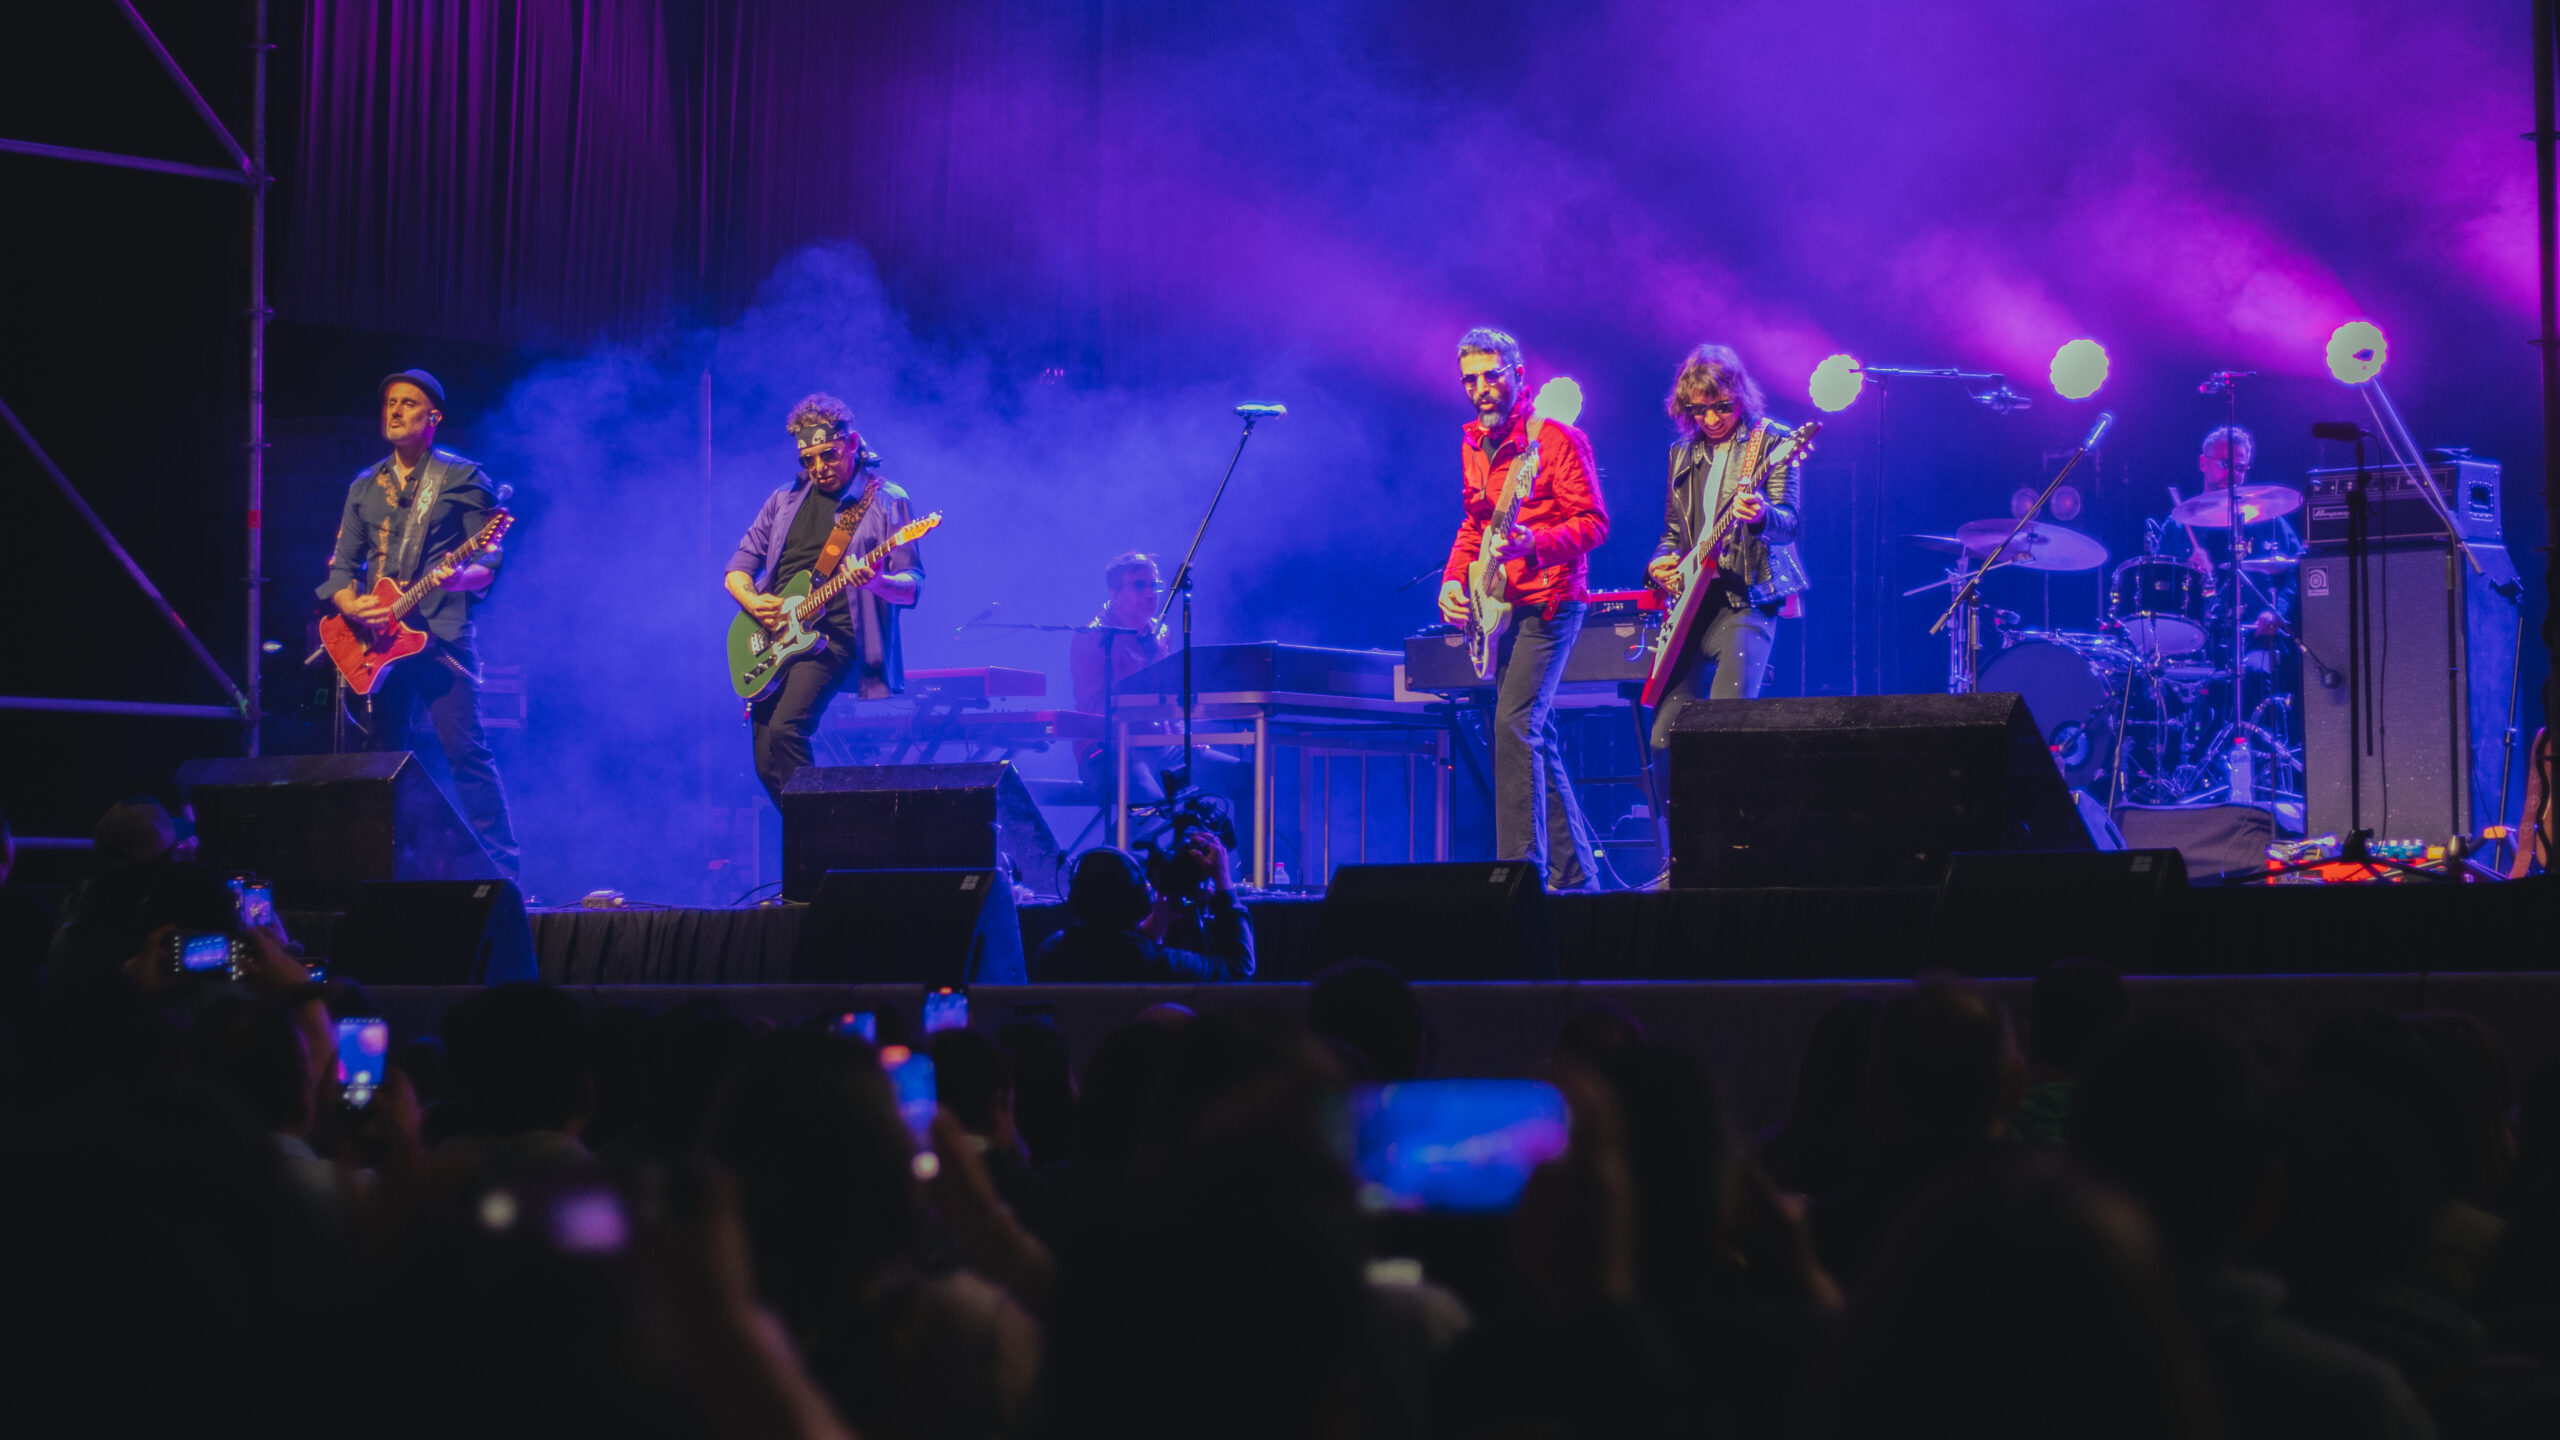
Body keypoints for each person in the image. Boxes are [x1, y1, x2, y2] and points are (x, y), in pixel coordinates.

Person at [320, 369, 522, 878]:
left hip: (442, 636)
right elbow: (341, 566)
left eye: (408, 404)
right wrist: (350, 603)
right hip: (379, 641)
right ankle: (376, 869)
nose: (394, 411)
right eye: (389, 402)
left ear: (433, 418)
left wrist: (458, 580)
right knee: (378, 756)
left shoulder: (463, 477)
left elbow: (489, 560)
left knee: (466, 753)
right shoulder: (364, 485)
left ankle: (502, 876)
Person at [1436, 327, 1607, 893]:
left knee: (1513, 724)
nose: (1481, 388)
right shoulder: (1471, 442)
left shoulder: (1556, 440)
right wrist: (1453, 581)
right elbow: (1474, 522)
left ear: (1517, 375)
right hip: (1503, 604)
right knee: (1531, 731)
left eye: (1492, 376)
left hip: (1553, 601)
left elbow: (1594, 524)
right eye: (1470, 380)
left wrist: (1535, 542)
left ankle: (1518, 872)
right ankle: (1578, 877)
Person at [725, 394, 926, 808]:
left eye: (829, 456)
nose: (819, 469)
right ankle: (815, 843)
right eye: (809, 460)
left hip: (835, 638)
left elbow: (912, 586)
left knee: (786, 730)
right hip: (777, 635)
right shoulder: (783, 500)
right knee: (765, 760)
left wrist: (877, 581)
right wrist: (753, 601)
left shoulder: (887, 498)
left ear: (852, 443)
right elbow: (737, 569)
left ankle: (825, 831)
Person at [1643, 345, 1809, 772]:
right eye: (1700, 411)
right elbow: (1673, 532)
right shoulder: (1680, 454)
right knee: (1663, 740)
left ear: (1739, 396)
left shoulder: (1773, 441)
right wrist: (1660, 562)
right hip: (1692, 603)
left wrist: (1760, 516)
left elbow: (1788, 523)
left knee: (1722, 729)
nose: (1712, 420)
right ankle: (1678, 837)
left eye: (1722, 408)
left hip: (1748, 596)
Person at [1031, 847, 1251, 983]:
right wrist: (1223, 879)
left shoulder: (1052, 951)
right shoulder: (1159, 964)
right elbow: (1238, 967)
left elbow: (1108, 949)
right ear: (1140, 902)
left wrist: (1150, 931)